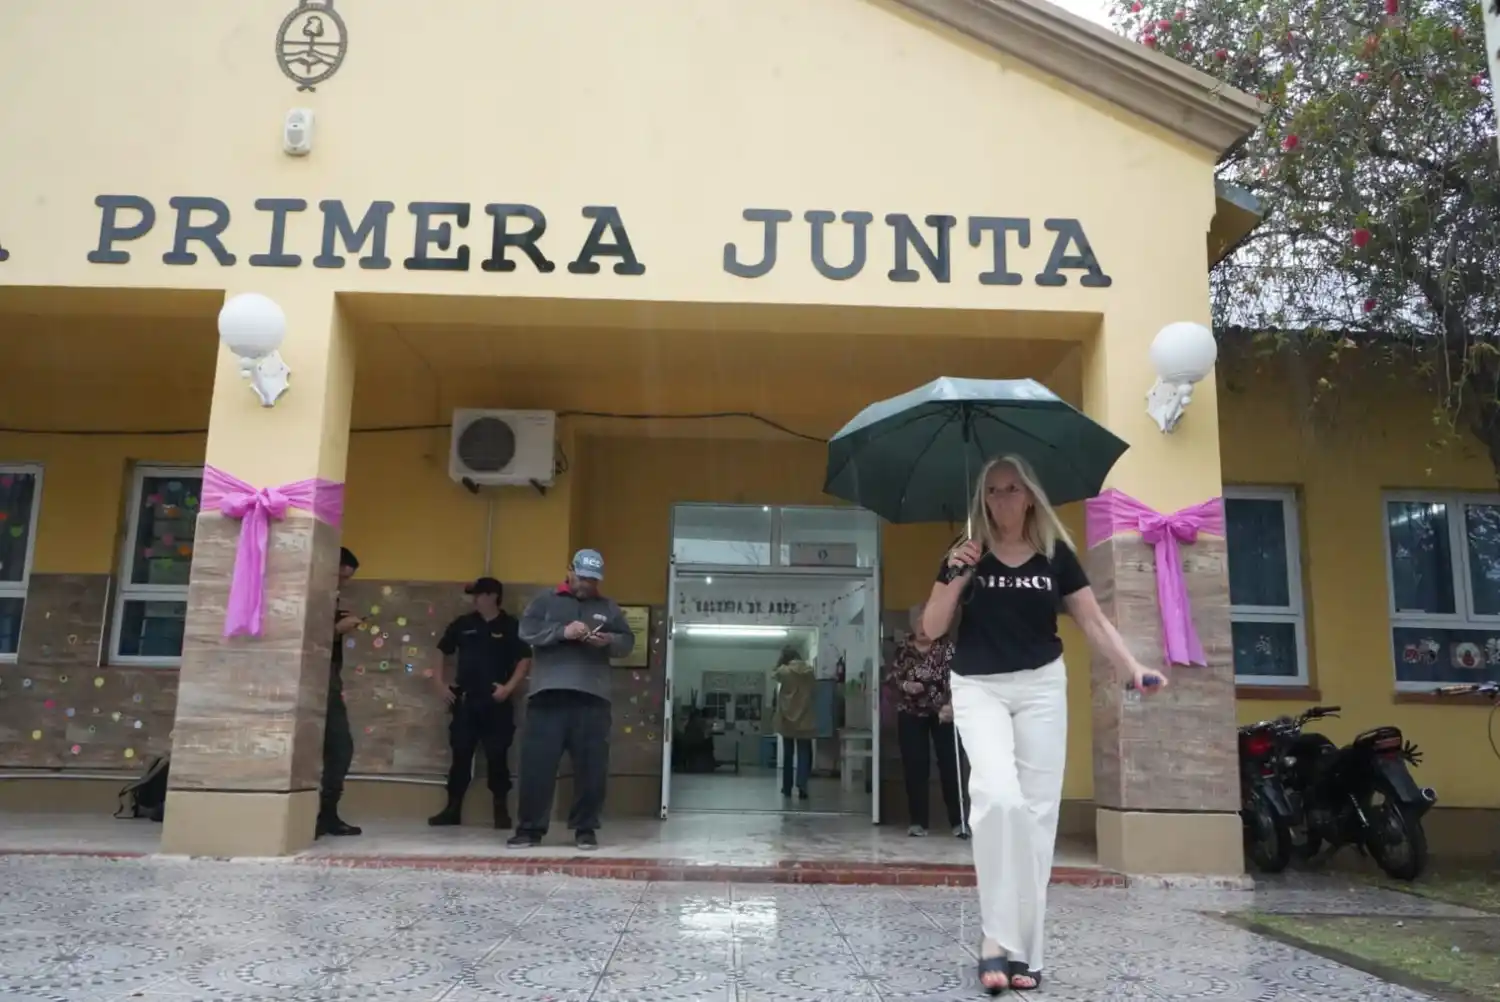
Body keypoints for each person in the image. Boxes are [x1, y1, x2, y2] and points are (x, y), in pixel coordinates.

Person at [923, 455, 1167, 995]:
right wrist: (954, 576)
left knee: (1036, 818)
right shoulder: (966, 553)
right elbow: (933, 627)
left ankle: (1025, 952)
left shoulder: (1056, 554)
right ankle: (994, 938)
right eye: (992, 491)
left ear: (1030, 495)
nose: (1002, 499)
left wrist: (1133, 669)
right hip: (979, 686)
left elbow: (1093, 621)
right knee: (997, 798)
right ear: (982, 498)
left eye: (1011, 489)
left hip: (1041, 687)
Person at [508, 549, 634, 851]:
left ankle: (585, 829)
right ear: (570, 571)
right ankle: (529, 829)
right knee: (537, 767)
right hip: (547, 697)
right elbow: (526, 631)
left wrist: (607, 640)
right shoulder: (545, 601)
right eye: (582, 578)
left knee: (592, 769)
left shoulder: (608, 607)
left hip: (592, 699)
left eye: (592, 580)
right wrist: (563, 631)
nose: (586, 585)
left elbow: (627, 642)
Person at [428, 577, 533, 830]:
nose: (474, 599)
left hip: (496, 701)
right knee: (460, 755)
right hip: (466, 700)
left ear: (493, 596)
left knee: (498, 756)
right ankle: (452, 809)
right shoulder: (463, 624)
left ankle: (500, 810)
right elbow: (441, 650)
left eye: (479, 594)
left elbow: (525, 658)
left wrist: (509, 688)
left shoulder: (510, 625)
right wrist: (440, 684)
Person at [887, 603, 968, 839]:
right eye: (919, 622)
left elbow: (961, 680)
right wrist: (905, 685)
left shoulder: (947, 648)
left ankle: (959, 822)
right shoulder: (903, 649)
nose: (923, 627)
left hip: (944, 712)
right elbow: (892, 678)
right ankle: (918, 822)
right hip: (910, 712)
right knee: (915, 765)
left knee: (951, 765)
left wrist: (952, 705)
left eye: (927, 622)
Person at [318, 545, 364, 838]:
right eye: (342, 576)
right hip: (316, 683)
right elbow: (304, 638)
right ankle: (322, 815)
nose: (343, 583)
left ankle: (326, 814)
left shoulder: (328, 597)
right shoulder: (312, 596)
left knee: (339, 748)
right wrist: (337, 630)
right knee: (339, 747)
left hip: (329, 681)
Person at [770, 645, 816, 800]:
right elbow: (814, 690)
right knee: (804, 754)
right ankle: (802, 786)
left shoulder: (784, 671)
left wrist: (780, 663)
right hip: (805, 718)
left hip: (787, 718)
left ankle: (787, 787)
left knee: (788, 755)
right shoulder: (809, 671)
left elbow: (773, 674)